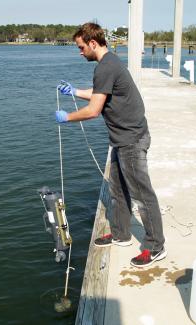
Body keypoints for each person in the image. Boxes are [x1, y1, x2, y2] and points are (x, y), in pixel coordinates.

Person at [55, 22, 166, 268]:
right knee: (117, 189)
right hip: (122, 139)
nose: (80, 52)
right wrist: (74, 91)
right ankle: (121, 233)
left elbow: (94, 110)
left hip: (131, 140)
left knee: (141, 194)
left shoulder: (106, 67)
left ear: (93, 43)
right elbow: (100, 93)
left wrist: (68, 117)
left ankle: (156, 246)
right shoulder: (109, 63)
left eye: (81, 47)